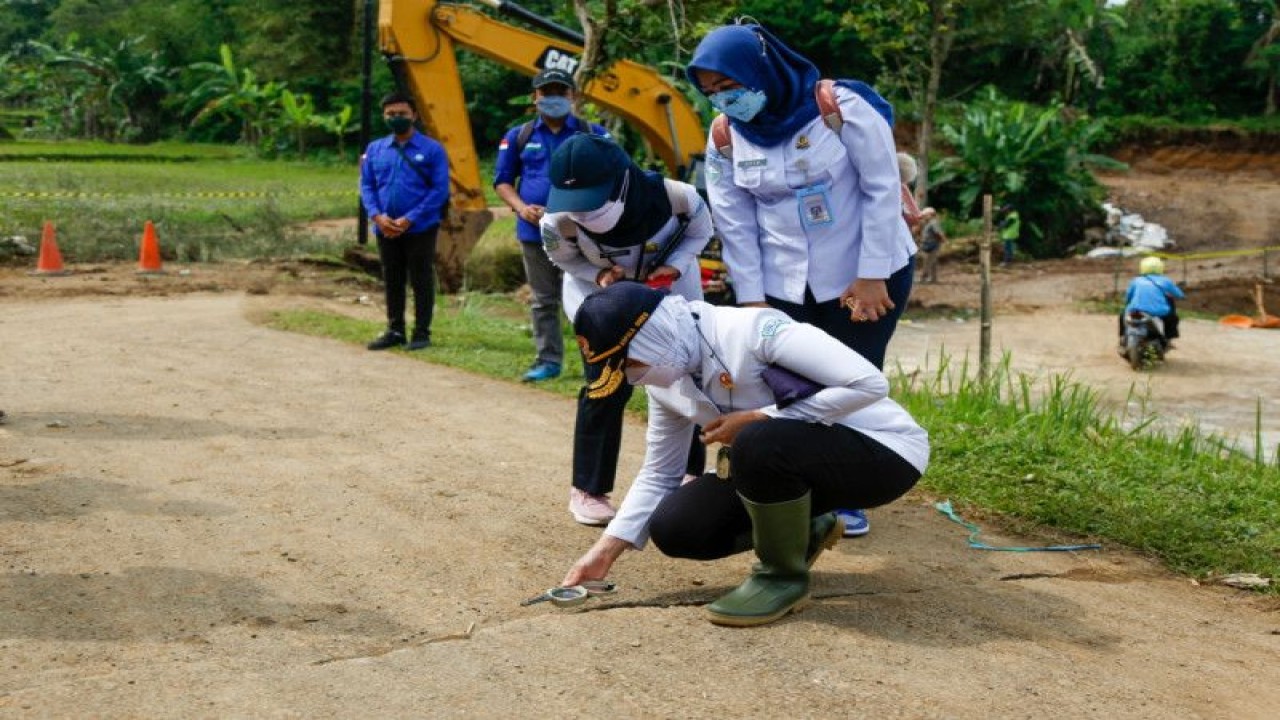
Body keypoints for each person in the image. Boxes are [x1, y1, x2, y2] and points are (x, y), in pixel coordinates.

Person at [560, 281, 929, 627]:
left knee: (756, 440)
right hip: (790, 463)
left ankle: (781, 578)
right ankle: (803, 528)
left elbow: (870, 383)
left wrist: (759, 417)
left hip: (882, 452)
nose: (629, 377)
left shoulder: (752, 330)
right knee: (677, 528)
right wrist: (604, 552)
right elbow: (660, 472)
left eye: (627, 364)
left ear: (653, 337)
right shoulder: (669, 381)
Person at [687, 24, 917, 539]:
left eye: (731, 85)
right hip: (783, 285)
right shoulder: (725, 135)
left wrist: (872, 274)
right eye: (712, 92)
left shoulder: (841, 107)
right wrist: (751, 303)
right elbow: (735, 221)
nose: (726, 99)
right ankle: (800, 490)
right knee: (791, 387)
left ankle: (848, 495)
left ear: (759, 70)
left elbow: (881, 188)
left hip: (865, 273)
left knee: (851, 383)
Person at [541, 133, 713, 526]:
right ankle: (589, 489)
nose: (582, 214)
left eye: (592, 202)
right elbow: (561, 259)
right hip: (602, 300)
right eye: (575, 206)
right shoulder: (557, 222)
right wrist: (598, 273)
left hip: (670, 295)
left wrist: (677, 265)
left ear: (620, 183)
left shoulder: (677, 197)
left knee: (683, 383)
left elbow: (701, 231)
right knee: (605, 386)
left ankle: (689, 475)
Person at [494, 69, 610, 382]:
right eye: (547, 92)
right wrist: (520, 208)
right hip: (534, 233)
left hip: (582, 233)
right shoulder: (519, 136)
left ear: (573, 97)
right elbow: (503, 182)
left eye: (561, 91)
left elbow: (615, 178)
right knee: (543, 300)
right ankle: (548, 361)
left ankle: (598, 363)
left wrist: (575, 208)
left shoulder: (593, 133)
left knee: (590, 299)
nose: (554, 98)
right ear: (536, 98)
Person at [359, 92, 450, 351]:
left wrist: (410, 219)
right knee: (392, 278)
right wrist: (377, 216)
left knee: (421, 279)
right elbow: (367, 185)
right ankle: (395, 329)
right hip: (385, 227)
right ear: (384, 116)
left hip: (421, 227)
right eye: (391, 114)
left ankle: (422, 332)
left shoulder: (432, 149)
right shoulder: (375, 149)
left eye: (402, 114)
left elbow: (439, 190)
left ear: (414, 116)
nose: (396, 118)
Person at [1120, 256, 1184, 346]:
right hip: (1159, 311)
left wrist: (1127, 302)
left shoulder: (1136, 281)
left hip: (1135, 310)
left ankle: (1122, 336)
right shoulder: (1166, 281)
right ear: (1161, 268)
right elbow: (1179, 295)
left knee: (1122, 315)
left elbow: (1128, 297)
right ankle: (1169, 338)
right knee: (1172, 318)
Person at [918, 209, 946, 283]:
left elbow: (937, 233)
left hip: (933, 245)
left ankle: (923, 278)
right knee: (933, 262)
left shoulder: (933, 222)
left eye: (925, 215)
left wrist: (943, 239)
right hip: (929, 244)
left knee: (928, 262)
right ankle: (934, 278)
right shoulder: (929, 223)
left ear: (930, 214)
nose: (924, 217)